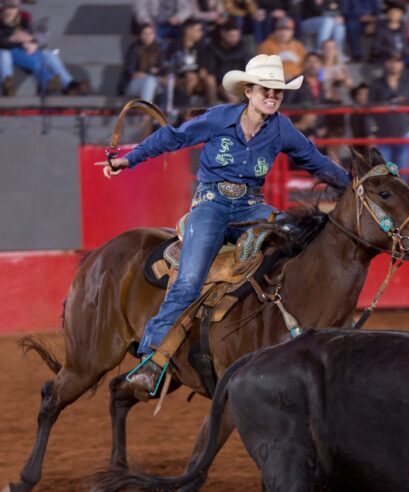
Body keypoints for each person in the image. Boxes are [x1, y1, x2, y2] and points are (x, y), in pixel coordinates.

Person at [95, 54, 350, 394]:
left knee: (299, 240)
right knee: (187, 282)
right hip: (211, 205)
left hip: (251, 207)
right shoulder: (218, 119)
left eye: (278, 91)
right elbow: (172, 138)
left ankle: (288, 327)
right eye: (265, 89)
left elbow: (316, 161)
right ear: (249, 91)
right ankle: (151, 360)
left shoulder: (281, 128)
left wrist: (354, 185)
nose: (272, 96)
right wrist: (128, 159)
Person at [0, 0, 88, 95]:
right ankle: (47, 81)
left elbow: (30, 35)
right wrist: (11, 39)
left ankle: (69, 84)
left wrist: (31, 43)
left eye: (14, 6)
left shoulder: (23, 18)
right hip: (9, 51)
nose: (11, 10)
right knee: (31, 61)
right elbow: (3, 40)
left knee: (49, 54)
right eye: (8, 6)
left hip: (24, 49)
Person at [369, 50, 409, 173]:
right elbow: (368, 108)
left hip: (403, 134)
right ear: (386, 63)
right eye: (391, 61)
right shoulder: (376, 84)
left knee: (403, 173)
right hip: (383, 135)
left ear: (402, 64)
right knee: (383, 174)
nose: (394, 64)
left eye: (397, 61)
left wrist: (406, 102)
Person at [370, 1, 409, 82]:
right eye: (392, 13)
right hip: (387, 57)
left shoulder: (404, 27)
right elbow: (376, 47)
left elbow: (407, 43)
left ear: (401, 15)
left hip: (402, 56)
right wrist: (391, 52)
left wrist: (405, 52)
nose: (395, 15)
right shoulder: (382, 29)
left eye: (397, 13)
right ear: (388, 14)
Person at [199, 19, 247, 102]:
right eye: (232, 36)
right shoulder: (212, 47)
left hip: (239, 81)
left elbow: (246, 65)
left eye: (237, 36)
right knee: (233, 97)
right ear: (223, 34)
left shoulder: (241, 46)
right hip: (221, 82)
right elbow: (212, 70)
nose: (235, 39)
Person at [118, 23, 168, 103]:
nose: (148, 36)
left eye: (150, 33)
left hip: (157, 82)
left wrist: (158, 75)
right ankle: (145, 112)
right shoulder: (134, 48)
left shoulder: (160, 49)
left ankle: (166, 111)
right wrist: (148, 74)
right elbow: (130, 70)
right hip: (135, 83)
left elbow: (163, 68)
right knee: (150, 80)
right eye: (145, 33)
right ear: (140, 35)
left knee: (165, 81)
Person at [167, 19, 212, 105]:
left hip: (197, 77)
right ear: (188, 30)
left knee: (210, 79)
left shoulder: (201, 48)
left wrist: (204, 69)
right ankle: (184, 111)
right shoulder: (174, 46)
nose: (201, 33)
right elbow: (169, 64)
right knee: (190, 78)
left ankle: (213, 110)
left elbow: (206, 64)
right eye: (198, 30)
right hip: (179, 78)